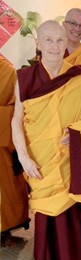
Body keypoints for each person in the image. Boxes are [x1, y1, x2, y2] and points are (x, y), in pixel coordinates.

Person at [11, 20, 81, 260]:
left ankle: (73, 256)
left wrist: (80, 130)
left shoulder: (79, 78)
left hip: (70, 155)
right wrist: (22, 156)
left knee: (71, 205)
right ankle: (51, 257)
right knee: (46, 208)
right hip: (39, 154)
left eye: (59, 40)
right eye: (48, 40)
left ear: (66, 43)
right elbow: (16, 119)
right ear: (38, 43)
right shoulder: (24, 78)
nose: (54, 46)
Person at [0, 54, 29, 247]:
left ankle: (5, 231)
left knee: (7, 187)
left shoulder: (7, 71)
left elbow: (18, 108)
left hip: (2, 143)